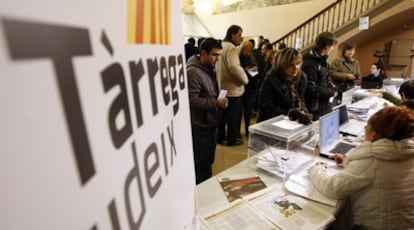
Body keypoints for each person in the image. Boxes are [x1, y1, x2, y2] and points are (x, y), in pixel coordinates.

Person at [309, 106, 414, 229]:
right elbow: (373, 172)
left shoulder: (371, 159)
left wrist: (316, 169)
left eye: (367, 125)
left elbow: (331, 188)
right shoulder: (405, 151)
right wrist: (346, 161)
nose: (364, 127)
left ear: (374, 135)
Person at [187, 38, 228, 184]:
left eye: (219, 55)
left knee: (208, 162)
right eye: (214, 55)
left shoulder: (209, 67)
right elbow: (192, 101)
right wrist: (215, 102)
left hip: (210, 122)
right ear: (203, 53)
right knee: (201, 166)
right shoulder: (193, 72)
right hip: (200, 126)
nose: (217, 59)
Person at [257, 48, 312, 124]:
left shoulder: (302, 77)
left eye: (298, 63)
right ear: (282, 65)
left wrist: (303, 111)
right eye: (291, 64)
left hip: (292, 122)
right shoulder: (271, 78)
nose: (296, 67)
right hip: (272, 123)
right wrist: (290, 113)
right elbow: (266, 107)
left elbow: (301, 98)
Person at [216, 25, 248, 146]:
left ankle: (219, 136)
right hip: (233, 88)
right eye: (239, 35)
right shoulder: (231, 48)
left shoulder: (222, 46)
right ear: (232, 35)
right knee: (234, 116)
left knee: (222, 115)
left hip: (222, 86)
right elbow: (234, 67)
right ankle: (232, 139)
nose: (241, 38)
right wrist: (245, 80)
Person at [302, 31, 339, 121]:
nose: (333, 48)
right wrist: (331, 92)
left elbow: (326, 80)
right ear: (326, 45)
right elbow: (310, 88)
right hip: (314, 107)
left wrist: (334, 88)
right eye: (332, 46)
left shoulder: (323, 61)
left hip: (324, 105)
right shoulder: (310, 63)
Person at [238, 40, 259, 136]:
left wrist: (255, 69)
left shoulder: (252, 57)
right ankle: (237, 131)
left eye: (250, 50)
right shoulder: (238, 58)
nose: (248, 52)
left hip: (251, 86)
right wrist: (244, 69)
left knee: (248, 110)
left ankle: (247, 129)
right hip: (241, 86)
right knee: (238, 111)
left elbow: (257, 69)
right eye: (246, 50)